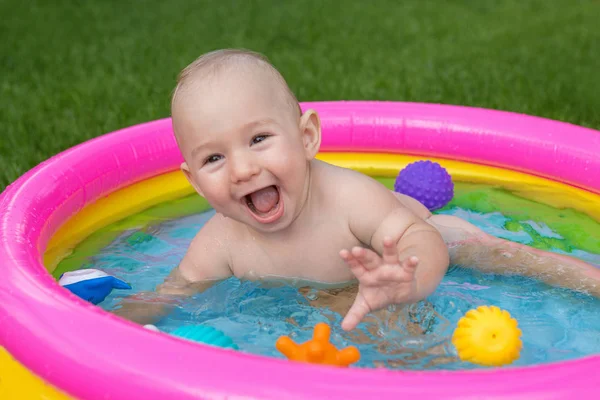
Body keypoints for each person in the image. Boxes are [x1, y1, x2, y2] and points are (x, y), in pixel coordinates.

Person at [114, 49, 600, 332]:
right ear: (194, 182)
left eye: (259, 139)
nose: (241, 169)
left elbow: (414, 240)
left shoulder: (347, 198)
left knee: (483, 251)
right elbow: (172, 294)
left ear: (307, 137)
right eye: (214, 158)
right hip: (347, 287)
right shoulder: (219, 243)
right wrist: (116, 319)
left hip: (401, 238)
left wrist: (410, 280)